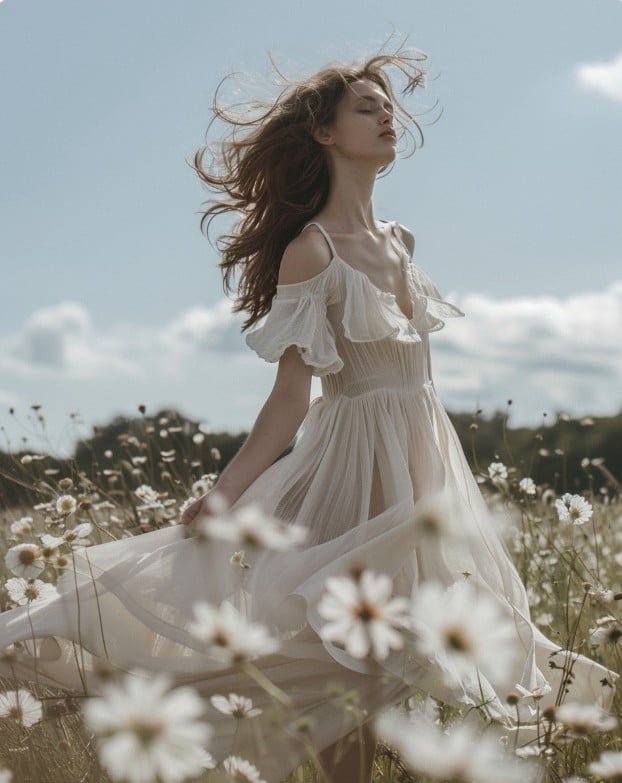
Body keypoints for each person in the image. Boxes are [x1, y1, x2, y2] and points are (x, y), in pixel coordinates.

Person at [1, 47, 618, 783]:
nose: (388, 114)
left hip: (422, 467)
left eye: (389, 104)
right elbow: (292, 398)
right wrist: (226, 493)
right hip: (349, 473)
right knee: (339, 663)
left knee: (409, 651)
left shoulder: (402, 241)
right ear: (324, 133)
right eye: (366, 106)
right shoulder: (311, 250)